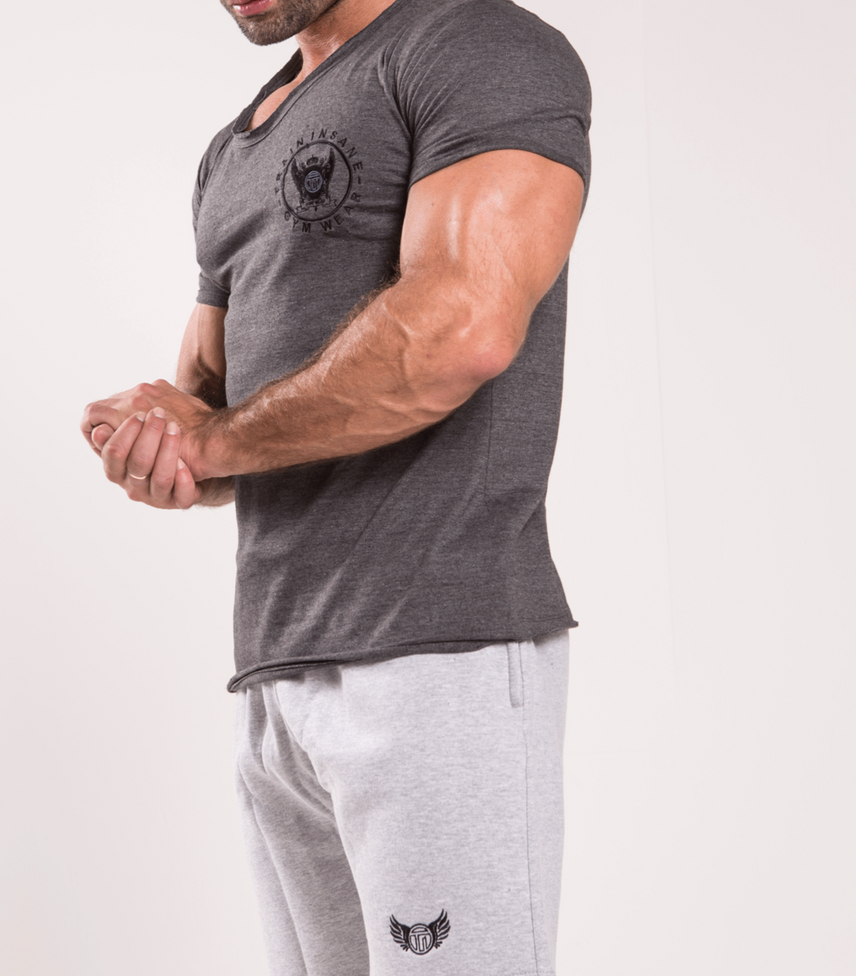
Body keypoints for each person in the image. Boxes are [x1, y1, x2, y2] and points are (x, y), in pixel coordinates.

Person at [82, 0, 590, 972]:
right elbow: (217, 405)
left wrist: (215, 439)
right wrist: (162, 442)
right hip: (276, 671)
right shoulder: (233, 149)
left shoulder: (475, 49)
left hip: (434, 651)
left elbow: (463, 328)